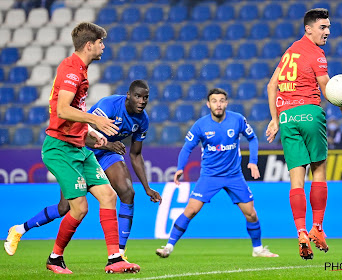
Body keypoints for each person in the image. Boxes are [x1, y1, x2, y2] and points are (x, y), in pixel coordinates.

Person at [4, 22, 139, 274]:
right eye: (101, 42)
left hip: (79, 146)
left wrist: (92, 134)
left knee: (108, 196)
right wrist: (96, 120)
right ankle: (55, 258)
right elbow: (62, 110)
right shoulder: (71, 70)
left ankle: (115, 259)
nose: (103, 46)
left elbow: (72, 114)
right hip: (60, 149)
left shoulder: (81, 70)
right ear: (90, 45)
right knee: (79, 207)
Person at [4, 79, 162, 260]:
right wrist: (108, 145)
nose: (142, 101)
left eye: (146, 97)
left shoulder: (143, 121)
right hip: (82, 152)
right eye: (138, 96)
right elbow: (82, 135)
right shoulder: (108, 106)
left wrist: (147, 188)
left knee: (127, 192)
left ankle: (120, 253)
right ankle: (19, 229)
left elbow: (136, 154)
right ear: (128, 96)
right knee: (64, 208)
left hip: (106, 154)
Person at [265, 9, 342, 260]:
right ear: (309, 29)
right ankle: (318, 228)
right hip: (310, 114)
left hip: (288, 118)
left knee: (296, 179)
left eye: (329, 27)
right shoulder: (316, 53)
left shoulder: (290, 51)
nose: (327, 32)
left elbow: (271, 85)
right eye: (323, 27)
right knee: (320, 170)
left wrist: (275, 118)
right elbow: (327, 88)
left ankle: (301, 231)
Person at [156, 88, 279, 258]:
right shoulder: (200, 125)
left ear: (226, 103)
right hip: (210, 176)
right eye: (214, 101)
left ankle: (258, 249)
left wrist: (252, 162)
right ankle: (168, 247)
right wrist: (179, 168)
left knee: (251, 213)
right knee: (191, 210)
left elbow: (252, 138)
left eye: (222, 100)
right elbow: (187, 148)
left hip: (234, 176)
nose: (218, 104)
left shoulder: (237, 120)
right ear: (208, 104)